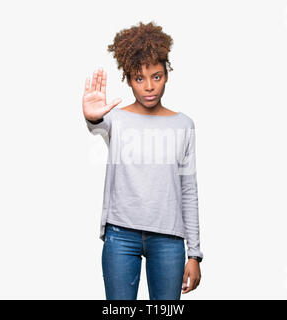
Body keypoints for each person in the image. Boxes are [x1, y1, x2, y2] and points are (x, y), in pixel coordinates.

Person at [82, 21, 203, 300]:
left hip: (169, 239)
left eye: (157, 77)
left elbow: (189, 189)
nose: (149, 87)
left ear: (167, 75)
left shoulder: (184, 125)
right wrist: (92, 116)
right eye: (139, 78)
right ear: (128, 79)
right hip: (121, 236)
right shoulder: (116, 119)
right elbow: (97, 124)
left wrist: (194, 253)